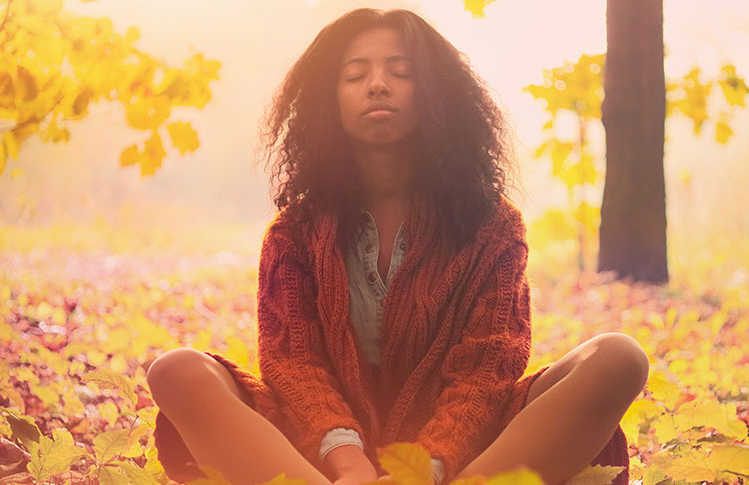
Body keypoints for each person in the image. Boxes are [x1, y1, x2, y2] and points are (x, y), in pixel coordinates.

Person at [145, 8, 649, 485]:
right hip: (319, 454)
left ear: (435, 92)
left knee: (619, 357)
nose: (378, 84)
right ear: (329, 98)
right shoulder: (293, 231)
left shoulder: (493, 226)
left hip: (465, 451)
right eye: (355, 74)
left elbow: (486, 370)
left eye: (400, 72)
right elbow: (293, 363)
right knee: (176, 371)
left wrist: (425, 466)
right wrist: (350, 464)